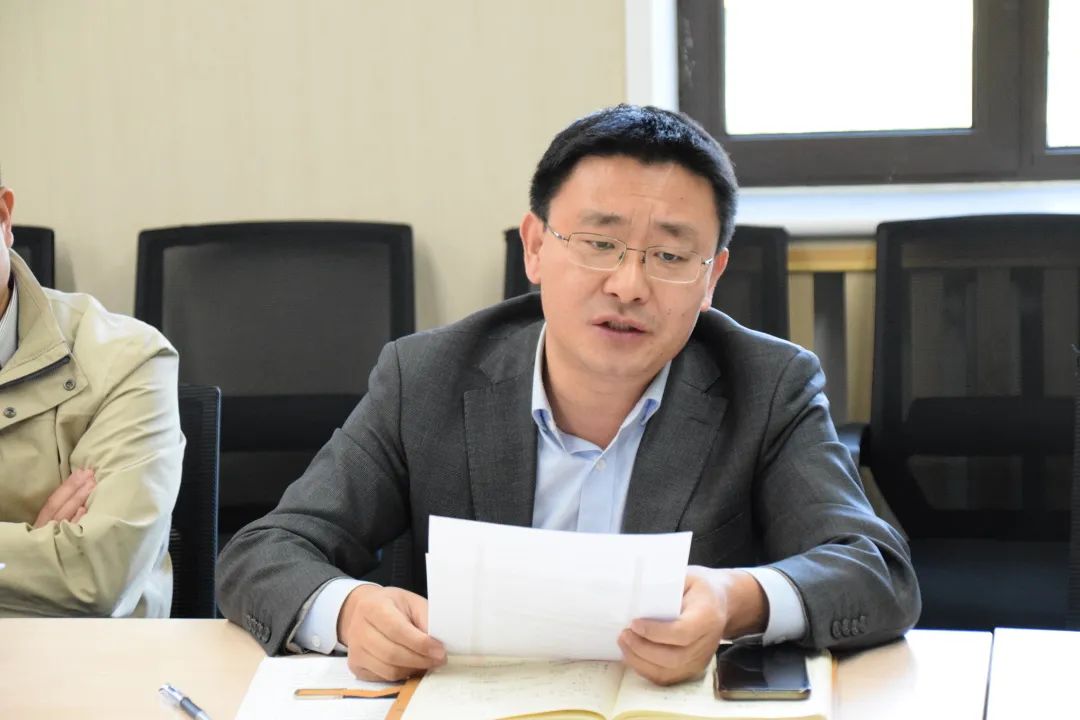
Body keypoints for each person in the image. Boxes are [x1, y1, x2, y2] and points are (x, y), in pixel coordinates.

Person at [217, 104, 920, 685]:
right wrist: (348, 610)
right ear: (535, 247)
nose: (628, 285)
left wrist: (737, 600)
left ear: (711, 277)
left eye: (670, 256)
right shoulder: (425, 378)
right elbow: (265, 551)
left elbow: (877, 572)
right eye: (599, 243)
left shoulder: (768, 385)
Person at [0, 178, 184, 617]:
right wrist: (36, 555)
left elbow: (96, 578)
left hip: (85, 656)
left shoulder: (128, 358)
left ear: (3, 218)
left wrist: (66, 567)